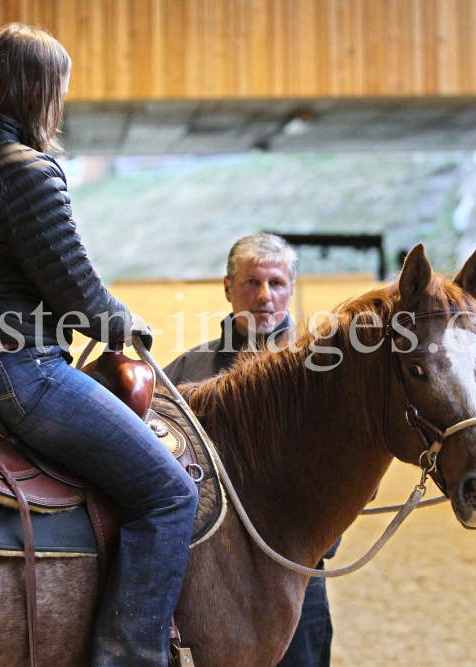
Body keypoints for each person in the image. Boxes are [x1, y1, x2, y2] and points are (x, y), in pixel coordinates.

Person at [0, 24, 197, 667]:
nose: (60, 104)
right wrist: (127, 327)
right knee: (172, 493)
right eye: (59, 90)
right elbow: (79, 294)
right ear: (39, 90)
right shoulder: (25, 169)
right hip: (15, 371)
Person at [163, 233, 338, 667]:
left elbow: (352, 475)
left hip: (298, 571)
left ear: (291, 289)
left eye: (276, 283)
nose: (264, 296)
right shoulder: (188, 370)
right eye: (251, 283)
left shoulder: (326, 375)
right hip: (208, 578)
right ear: (227, 288)